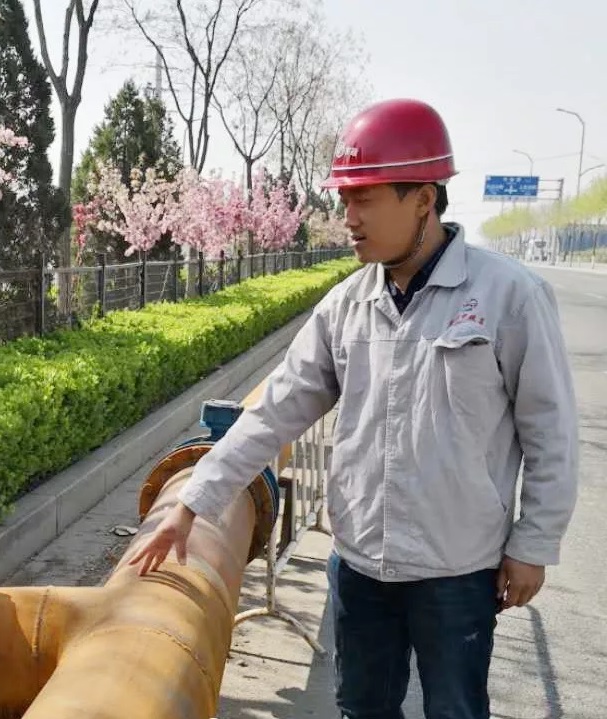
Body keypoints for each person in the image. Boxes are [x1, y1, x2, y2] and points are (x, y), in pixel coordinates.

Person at [128, 98, 579, 719]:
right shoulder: (345, 307)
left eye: (364, 199)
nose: (349, 218)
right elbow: (274, 412)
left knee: (455, 710)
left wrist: (534, 544)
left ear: (423, 199)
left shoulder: (508, 297)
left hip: (458, 569)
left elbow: (551, 432)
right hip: (362, 565)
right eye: (345, 200)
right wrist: (192, 504)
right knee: (362, 710)